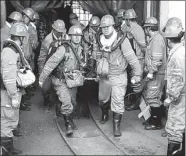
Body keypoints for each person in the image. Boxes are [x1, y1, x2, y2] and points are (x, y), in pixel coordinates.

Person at [97, 15, 142, 137]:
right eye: (103, 27)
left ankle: (116, 126)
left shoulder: (122, 40)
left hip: (118, 75)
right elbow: (96, 55)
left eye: (108, 26)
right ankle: (104, 113)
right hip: (104, 75)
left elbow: (132, 59)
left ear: (113, 26)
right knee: (103, 99)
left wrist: (137, 73)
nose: (105, 29)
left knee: (118, 100)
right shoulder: (99, 40)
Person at [39, 25, 85, 136]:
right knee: (66, 102)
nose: (77, 38)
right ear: (70, 36)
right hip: (60, 80)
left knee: (73, 102)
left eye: (79, 35)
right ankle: (68, 125)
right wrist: (42, 78)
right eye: (74, 35)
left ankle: (69, 118)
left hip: (73, 80)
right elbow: (50, 64)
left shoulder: (81, 49)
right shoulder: (63, 49)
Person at [1, 22, 28, 155]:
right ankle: (6, 151)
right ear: (21, 37)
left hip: (11, 91)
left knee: (11, 120)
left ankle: (9, 149)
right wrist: (13, 96)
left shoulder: (11, 49)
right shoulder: (9, 52)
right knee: (6, 121)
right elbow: (9, 77)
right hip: (7, 93)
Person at [162, 17, 185, 156]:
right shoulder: (181, 51)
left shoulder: (177, 55)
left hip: (179, 98)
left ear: (168, 39)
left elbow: (177, 80)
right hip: (183, 96)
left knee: (174, 130)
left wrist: (170, 98)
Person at [38, 19, 69, 113]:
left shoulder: (65, 37)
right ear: (54, 30)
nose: (60, 34)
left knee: (62, 85)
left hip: (60, 65)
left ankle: (60, 103)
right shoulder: (47, 40)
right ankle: (46, 102)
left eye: (61, 32)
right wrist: (41, 72)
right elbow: (42, 57)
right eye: (58, 32)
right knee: (45, 87)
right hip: (48, 64)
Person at [142, 17, 166, 130]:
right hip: (155, 73)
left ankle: (156, 122)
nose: (144, 30)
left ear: (148, 28)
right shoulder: (154, 39)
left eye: (145, 28)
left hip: (157, 74)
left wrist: (150, 73)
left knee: (153, 96)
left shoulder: (156, 40)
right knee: (152, 95)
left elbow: (157, 59)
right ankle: (153, 118)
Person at [122, 9, 147, 111]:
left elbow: (143, 46)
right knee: (132, 81)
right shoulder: (129, 28)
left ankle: (136, 104)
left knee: (136, 82)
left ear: (128, 20)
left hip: (139, 59)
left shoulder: (137, 29)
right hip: (132, 59)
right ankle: (132, 101)